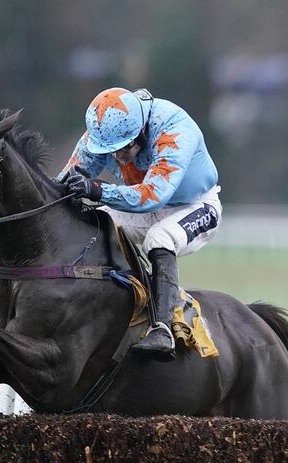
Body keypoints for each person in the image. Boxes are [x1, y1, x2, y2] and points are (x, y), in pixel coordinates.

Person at [58, 87, 222, 361]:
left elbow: (152, 196)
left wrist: (98, 190)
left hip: (195, 206)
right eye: (111, 151)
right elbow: (63, 181)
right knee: (95, 222)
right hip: (145, 203)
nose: (119, 157)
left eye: (124, 149)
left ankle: (163, 329)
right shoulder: (104, 132)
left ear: (142, 130)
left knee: (159, 239)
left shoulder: (174, 130)